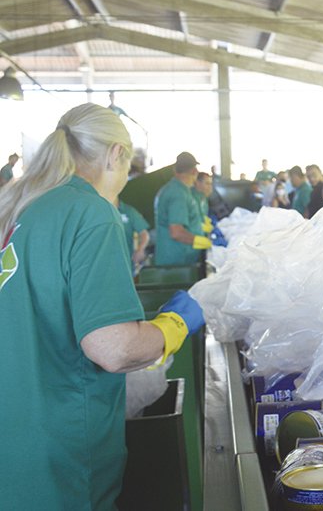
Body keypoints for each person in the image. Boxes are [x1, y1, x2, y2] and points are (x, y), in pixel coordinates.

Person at [0, 103, 205, 509]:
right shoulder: (91, 212)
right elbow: (113, 347)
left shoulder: (21, 210)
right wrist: (174, 325)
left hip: (14, 434)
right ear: (115, 154)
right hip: (61, 449)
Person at [155, 152, 212, 265]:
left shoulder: (180, 189)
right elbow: (176, 232)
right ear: (194, 171)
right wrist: (201, 241)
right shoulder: (178, 193)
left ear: (175, 170)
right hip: (176, 261)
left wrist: (200, 227)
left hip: (181, 258)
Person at [116, 197, 150, 271]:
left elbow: (144, 234)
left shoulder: (129, 211)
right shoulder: (99, 210)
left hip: (126, 262)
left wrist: (140, 249)